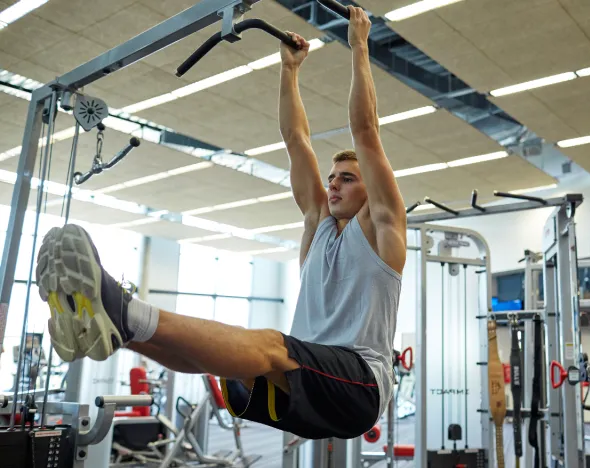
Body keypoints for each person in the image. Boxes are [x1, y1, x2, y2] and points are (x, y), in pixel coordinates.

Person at [36, 6, 406, 440]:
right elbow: (296, 140)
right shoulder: (318, 226)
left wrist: (359, 44)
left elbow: (366, 132)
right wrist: (289, 70)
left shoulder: (383, 231)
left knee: (269, 345)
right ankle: (121, 330)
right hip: (305, 385)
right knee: (224, 358)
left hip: (358, 387)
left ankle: (126, 310)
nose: (333, 185)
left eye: (347, 178)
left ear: (370, 191)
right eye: (331, 178)